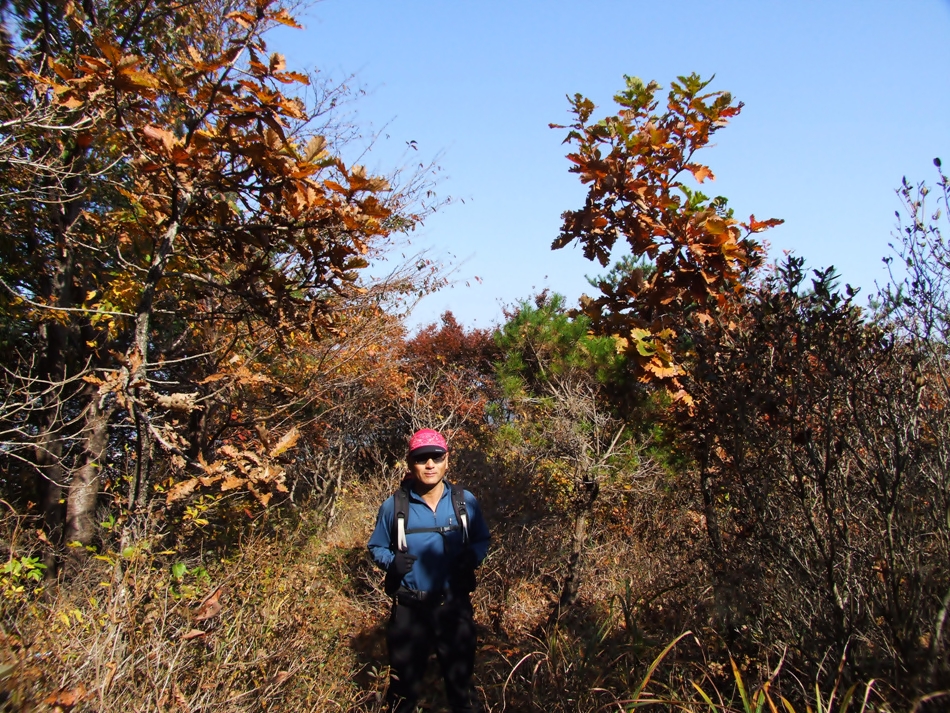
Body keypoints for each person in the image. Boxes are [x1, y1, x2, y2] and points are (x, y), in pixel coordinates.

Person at [368, 428, 490, 713]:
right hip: (410, 611)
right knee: (402, 696)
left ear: (447, 460)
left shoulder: (464, 501)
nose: (430, 464)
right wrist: (391, 562)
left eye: (436, 457)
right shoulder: (394, 506)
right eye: (422, 459)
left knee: (462, 691)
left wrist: (472, 557)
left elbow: (482, 538)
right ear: (411, 464)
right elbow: (376, 547)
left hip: (454, 609)